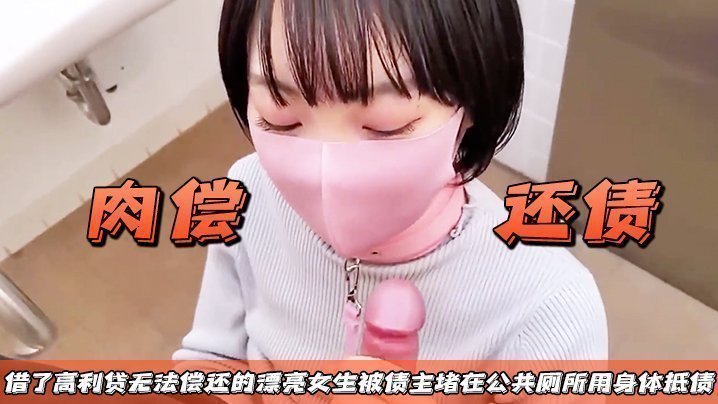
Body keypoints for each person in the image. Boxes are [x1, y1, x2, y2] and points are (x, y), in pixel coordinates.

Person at [174, 0, 608, 371]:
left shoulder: (546, 306)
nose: (328, 173)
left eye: (386, 125)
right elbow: (212, 357)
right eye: (280, 115)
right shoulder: (244, 195)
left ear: (473, 100)